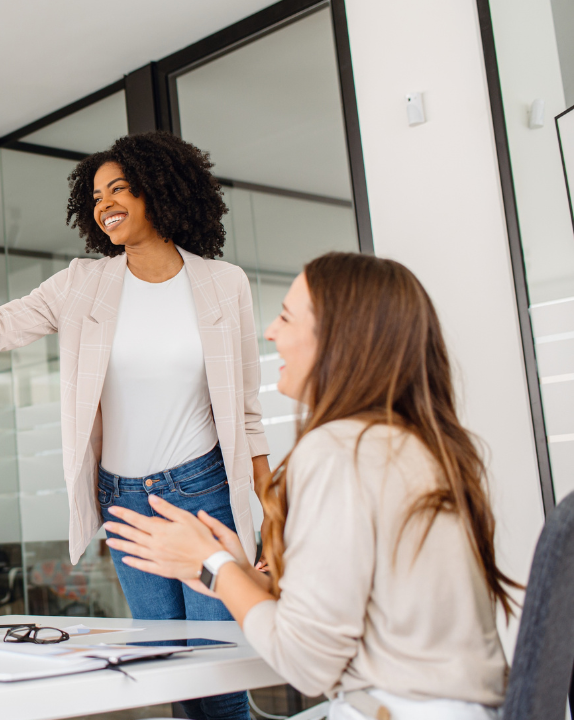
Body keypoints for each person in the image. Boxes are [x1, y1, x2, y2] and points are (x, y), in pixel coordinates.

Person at [0, 134, 268, 720]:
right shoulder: (81, 284)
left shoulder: (226, 284)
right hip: (125, 505)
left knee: (217, 675)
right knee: (168, 675)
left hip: (205, 494)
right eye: (96, 195)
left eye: (119, 188)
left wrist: (272, 520)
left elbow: (246, 410)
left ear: (161, 190)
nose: (104, 203)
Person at [105, 253, 514, 720]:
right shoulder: (415, 446)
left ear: (340, 340)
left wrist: (212, 566)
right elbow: (351, 601)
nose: (271, 333)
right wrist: (243, 572)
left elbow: (307, 664)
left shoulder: (339, 450)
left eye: (285, 317)